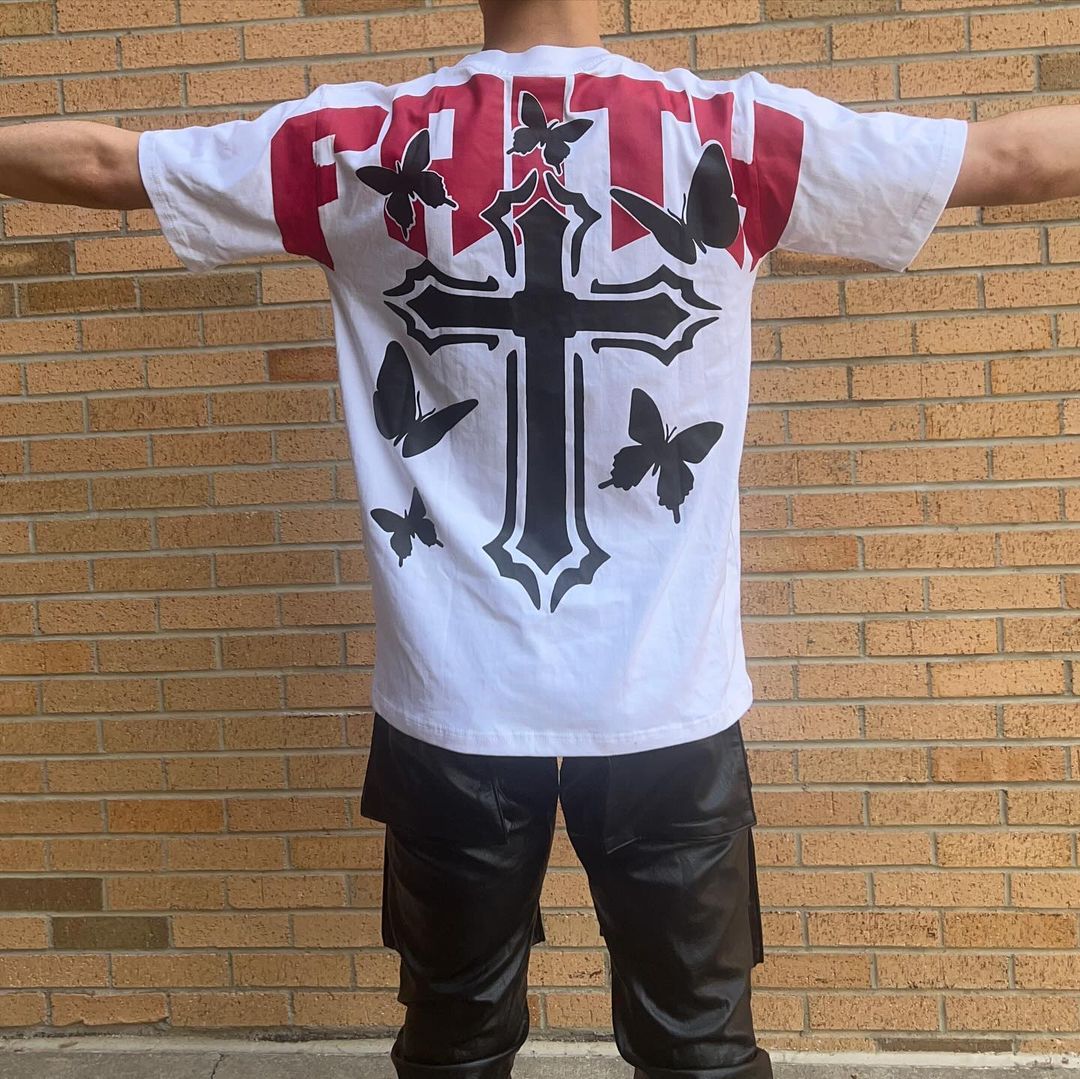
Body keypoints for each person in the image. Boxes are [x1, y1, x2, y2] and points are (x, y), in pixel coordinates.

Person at [1, 1, 1076, 1076]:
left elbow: (105, 164)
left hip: (454, 691)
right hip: (663, 687)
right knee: (699, 1047)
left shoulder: (362, 147)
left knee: (454, 1042)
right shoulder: (733, 137)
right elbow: (1012, 160)